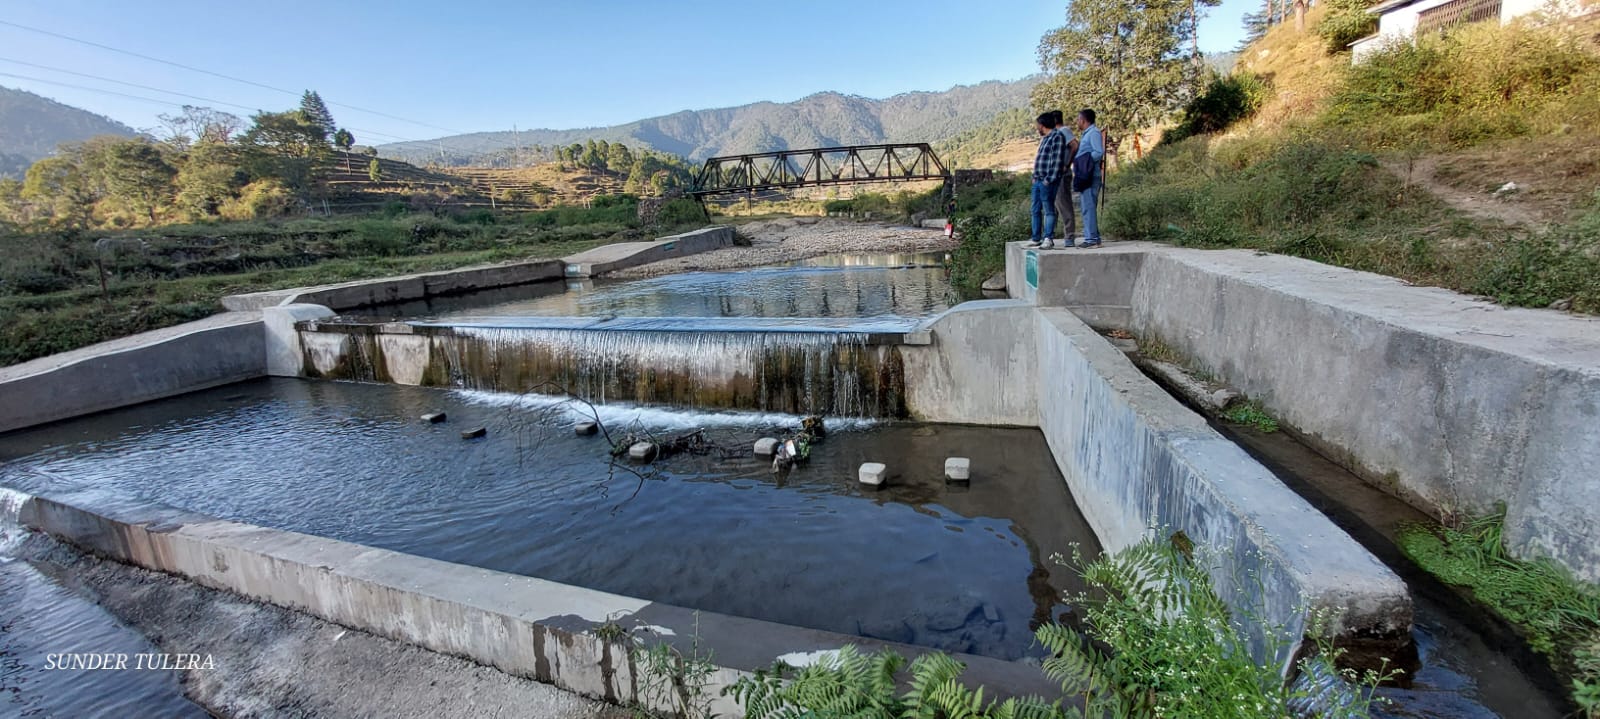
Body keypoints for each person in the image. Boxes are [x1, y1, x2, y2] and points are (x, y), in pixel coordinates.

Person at [1025, 112, 1068, 250]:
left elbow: (1056, 161)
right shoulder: (1045, 138)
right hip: (1038, 180)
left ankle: (1048, 238)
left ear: (1042, 125)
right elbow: (1041, 159)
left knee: (1049, 210)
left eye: (1038, 125)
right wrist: (1034, 177)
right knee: (1035, 209)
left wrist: (1049, 180)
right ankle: (1036, 237)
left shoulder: (1057, 136)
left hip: (1047, 180)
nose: (1037, 128)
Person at [1073, 108, 1105, 248]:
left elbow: (1099, 152)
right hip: (1086, 174)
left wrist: (1084, 161)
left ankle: (1091, 239)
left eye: (1078, 119)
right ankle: (1094, 237)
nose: (1077, 122)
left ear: (1084, 120)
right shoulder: (1087, 134)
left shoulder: (1093, 133)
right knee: (1087, 205)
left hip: (1090, 174)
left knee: (1088, 206)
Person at [1049, 110, 1079, 246]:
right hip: (1053, 175)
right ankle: (1049, 236)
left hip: (1061, 174)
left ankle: (1069, 235)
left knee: (1063, 204)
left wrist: (1067, 164)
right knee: (1053, 206)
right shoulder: (1054, 133)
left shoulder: (1064, 130)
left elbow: (1075, 145)